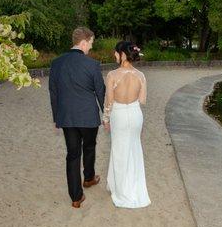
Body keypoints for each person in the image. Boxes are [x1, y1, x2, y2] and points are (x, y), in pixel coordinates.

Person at [48, 27, 105, 208]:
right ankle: (88, 178)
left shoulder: (56, 63)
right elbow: (100, 92)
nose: (91, 48)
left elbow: (53, 92)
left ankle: (76, 197)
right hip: (88, 116)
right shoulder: (92, 65)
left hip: (67, 117)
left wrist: (57, 117)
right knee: (89, 146)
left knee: (72, 154)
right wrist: (107, 114)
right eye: (90, 44)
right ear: (83, 42)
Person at [102, 41, 151, 208]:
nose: (114, 55)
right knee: (134, 149)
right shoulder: (141, 76)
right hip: (136, 114)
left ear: (122, 54)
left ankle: (122, 191)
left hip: (120, 115)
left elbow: (109, 100)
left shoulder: (112, 75)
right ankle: (134, 186)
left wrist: (106, 118)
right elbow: (143, 100)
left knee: (119, 151)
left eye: (116, 53)